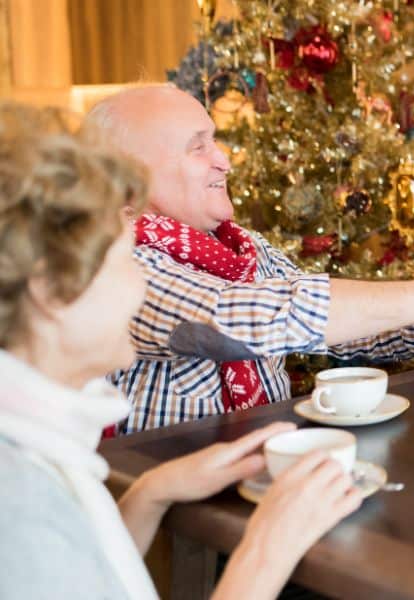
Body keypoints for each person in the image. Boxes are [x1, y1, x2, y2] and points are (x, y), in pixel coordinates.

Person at [0, 102, 359, 599]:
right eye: (124, 261)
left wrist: (150, 492)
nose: (138, 287)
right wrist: (267, 548)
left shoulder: (37, 445)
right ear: (48, 290)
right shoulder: (19, 500)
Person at [82, 85, 414, 434]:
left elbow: (339, 336)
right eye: (198, 146)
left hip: (259, 473)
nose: (224, 161)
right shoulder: (116, 260)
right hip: (172, 518)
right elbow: (240, 322)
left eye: (215, 142)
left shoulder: (239, 247)